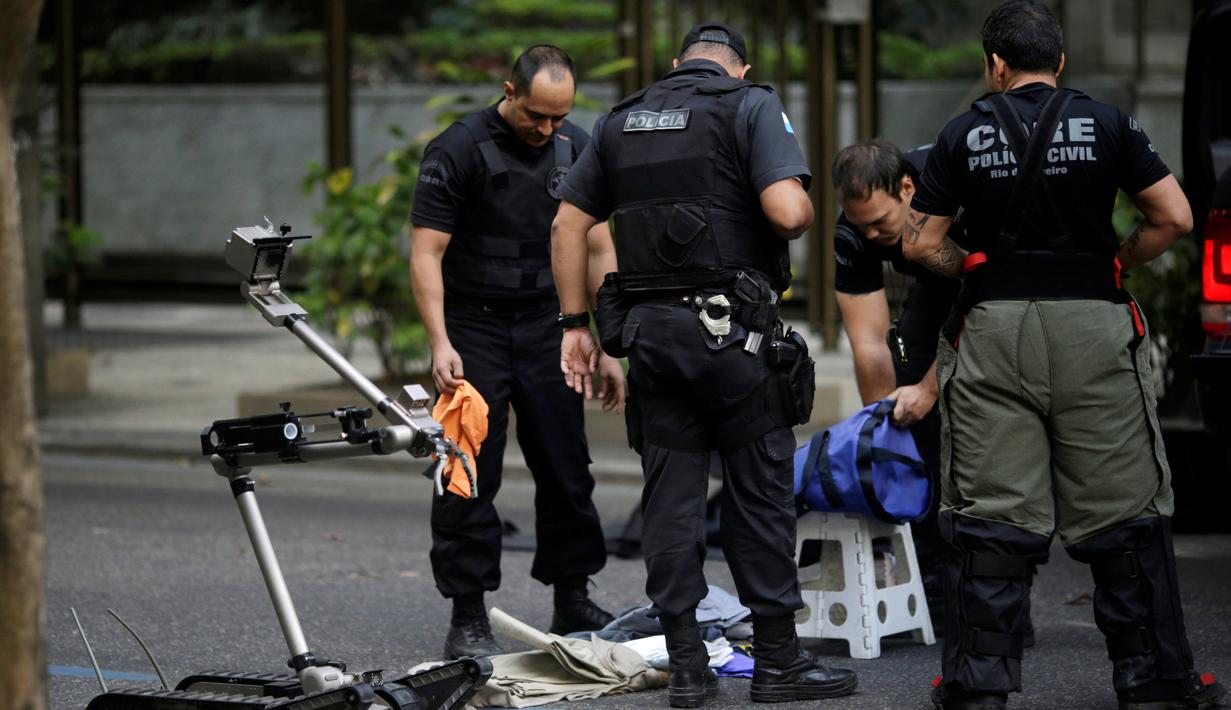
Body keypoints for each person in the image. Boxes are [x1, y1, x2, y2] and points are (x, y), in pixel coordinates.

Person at [902, 2, 1226, 709]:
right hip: (1093, 325)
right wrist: (1114, 259)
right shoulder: (1109, 124)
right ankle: (1154, 684)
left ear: (994, 64)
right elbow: (1172, 216)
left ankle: (977, 687)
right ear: (1060, 61)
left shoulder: (960, 133)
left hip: (992, 330)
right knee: (1123, 509)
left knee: (990, 512)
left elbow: (920, 244)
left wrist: (977, 270)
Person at [550, 22, 857, 708]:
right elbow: (787, 212)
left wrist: (575, 326)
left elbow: (567, 225)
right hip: (734, 343)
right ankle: (777, 662)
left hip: (652, 343)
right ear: (738, 69)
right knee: (758, 501)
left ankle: (687, 667)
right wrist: (792, 201)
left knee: (671, 504)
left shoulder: (620, 119)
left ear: (674, 64)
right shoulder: (748, 106)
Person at [409, 45, 624, 660]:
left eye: (560, 117)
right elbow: (427, 251)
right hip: (473, 328)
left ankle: (572, 596)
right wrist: (439, 341)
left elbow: (601, 249)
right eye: (535, 115)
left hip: (549, 327)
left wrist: (605, 341)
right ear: (508, 90)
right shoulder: (457, 149)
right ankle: (468, 610)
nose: (547, 129)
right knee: (468, 468)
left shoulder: (578, 148)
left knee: (565, 462)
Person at [831, 139, 963, 625]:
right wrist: (885, 428)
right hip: (935, 290)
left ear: (908, 188)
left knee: (969, 423)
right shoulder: (854, 231)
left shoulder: (953, 186)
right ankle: (932, 584)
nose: (870, 233)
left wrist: (931, 389)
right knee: (912, 418)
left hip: (992, 281)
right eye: (859, 222)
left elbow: (981, 302)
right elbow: (868, 340)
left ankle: (987, 589)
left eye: (880, 222)